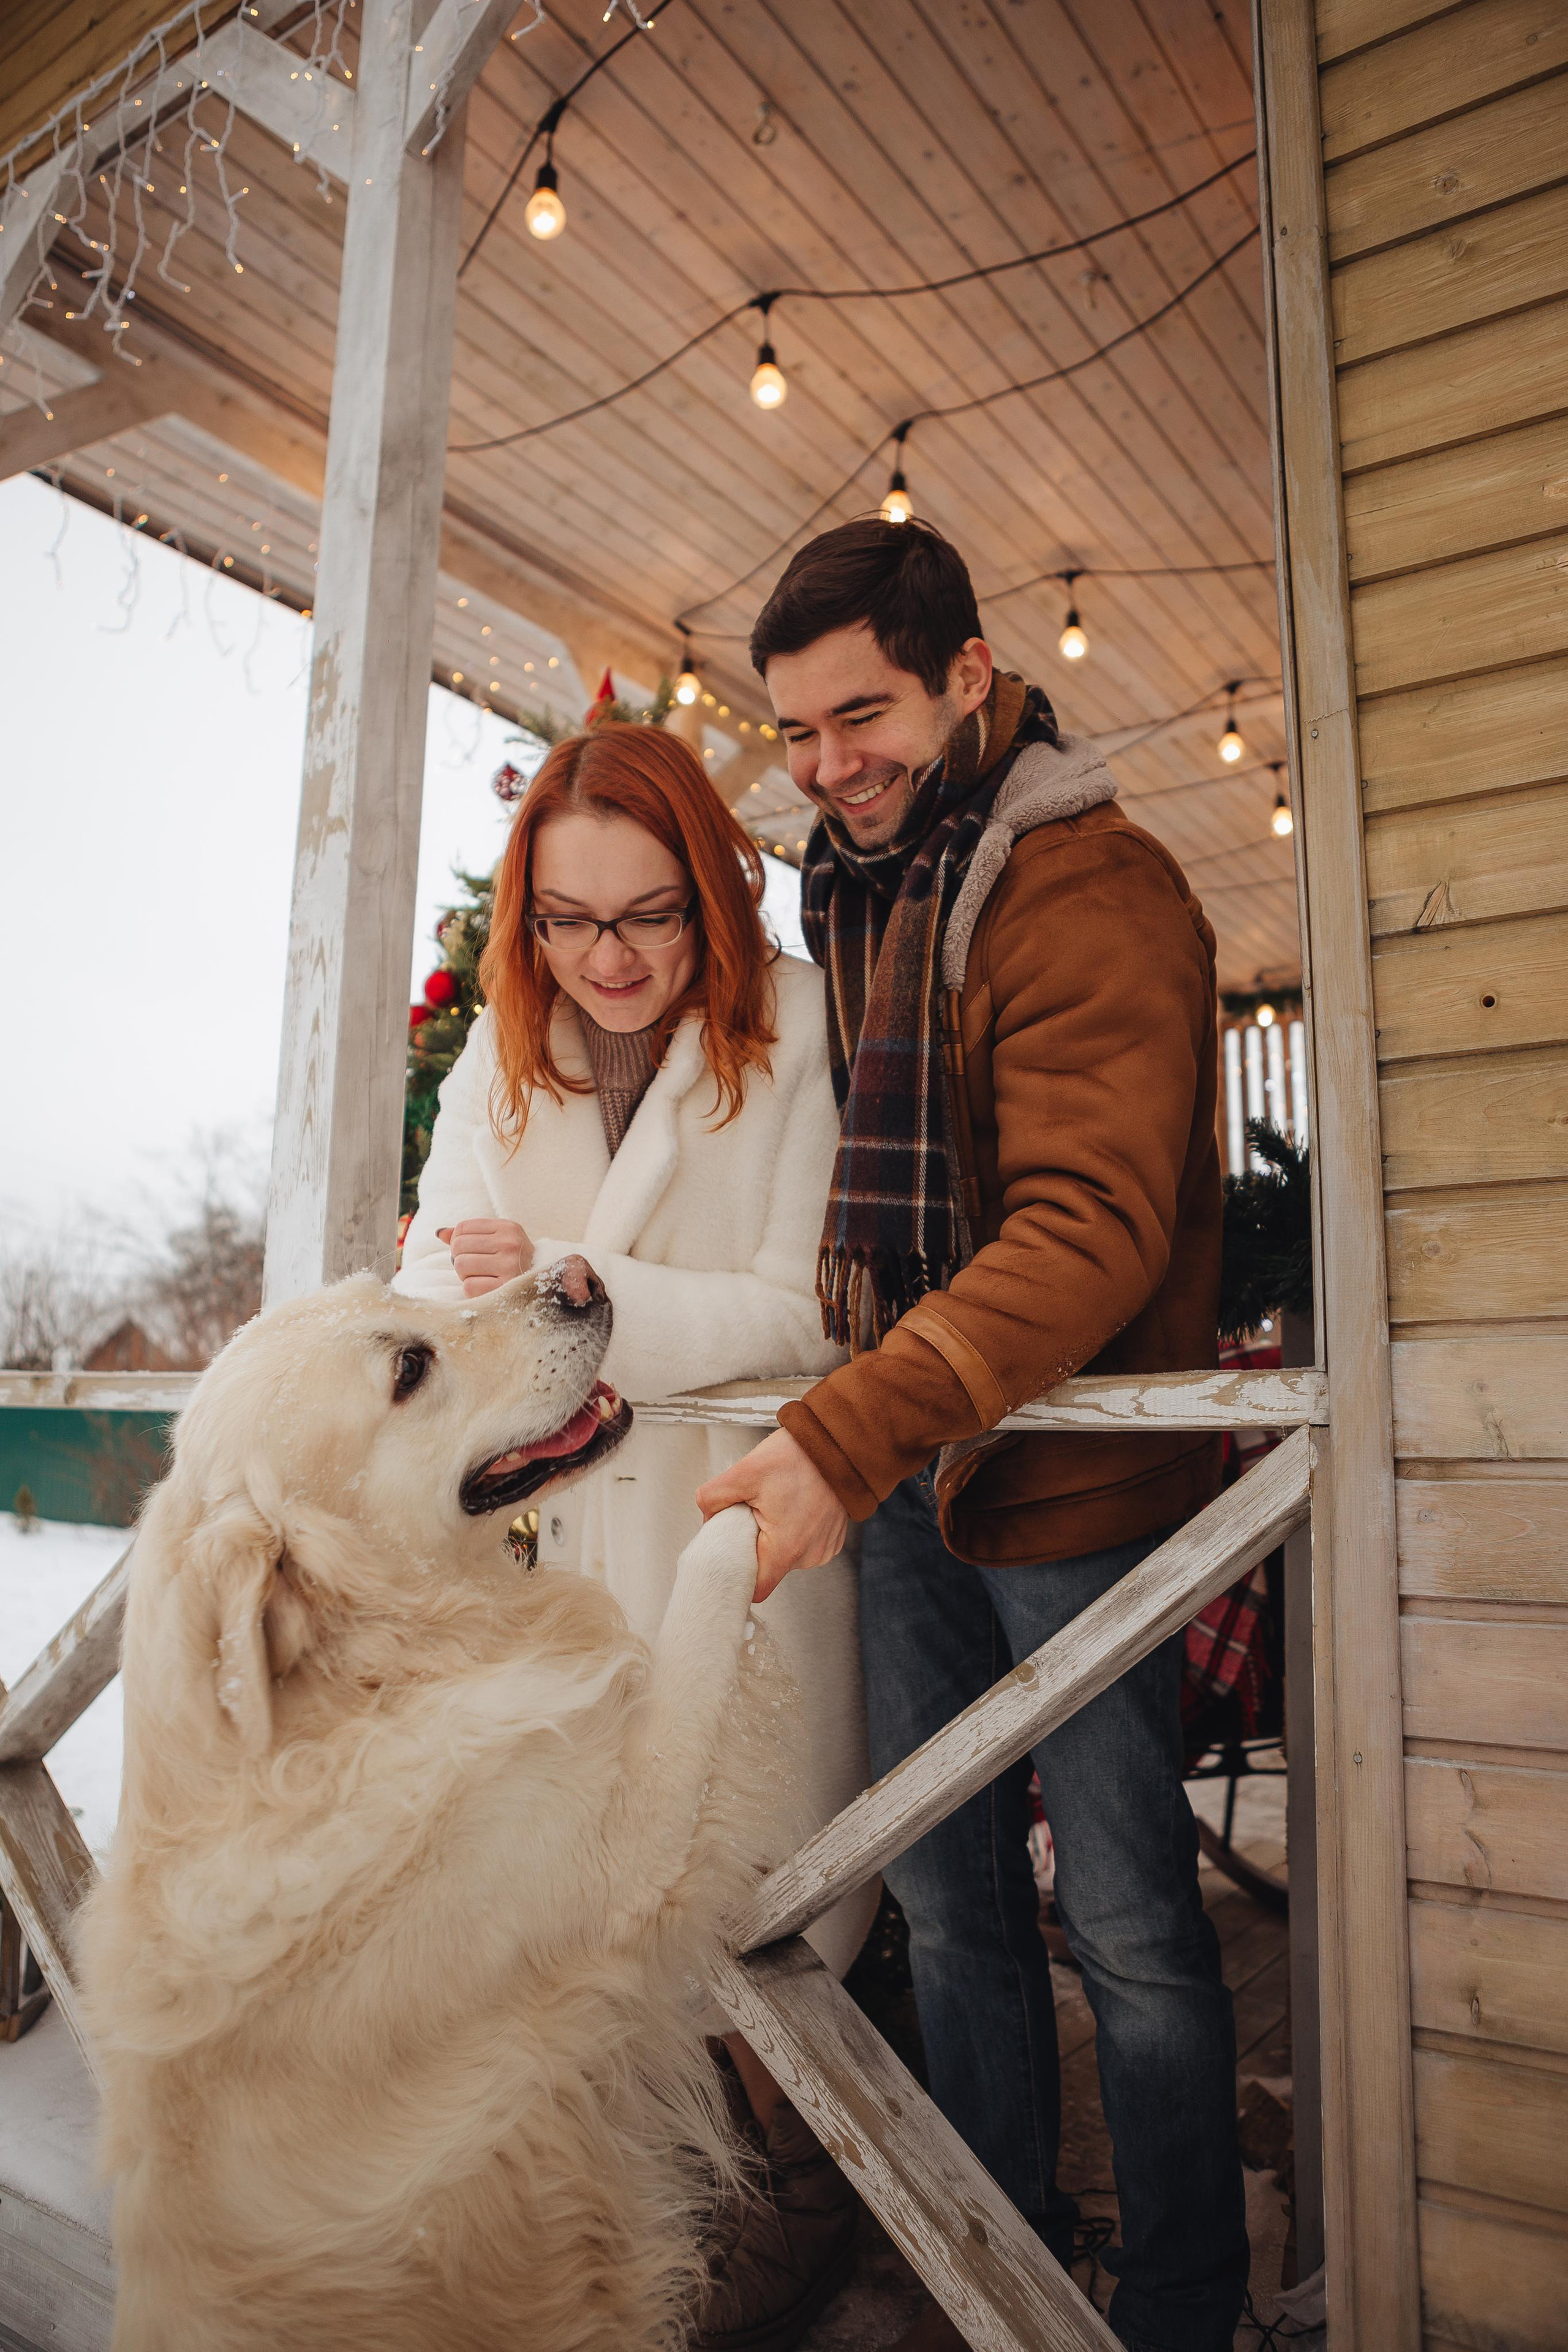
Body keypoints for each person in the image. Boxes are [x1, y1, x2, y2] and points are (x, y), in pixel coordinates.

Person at [696, 521, 1249, 2352]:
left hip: (1070, 1487)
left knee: (1131, 1921)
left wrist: (849, 1430)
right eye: (794, 730)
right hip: (923, 1476)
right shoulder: (859, 894)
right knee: (947, 1902)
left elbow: (1089, 1231)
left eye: (864, 713)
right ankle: (991, 2259)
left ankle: (1178, 2306)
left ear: (969, 676)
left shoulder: (1086, 891)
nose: (828, 760)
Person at [396, 723, 876, 2352]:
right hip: (539, 1567)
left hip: (724, 1537)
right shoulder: (499, 1045)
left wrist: (583, 1297)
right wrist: (481, 1301)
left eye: (649, 917)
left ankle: (817, 2198)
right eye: (567, 920)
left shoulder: (798, 1024)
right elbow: (425, 1287)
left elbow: (816, 1316)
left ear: (716, 899)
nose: (608, 960)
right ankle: (623, 2232)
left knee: (755, 1906)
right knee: (568, 1919)